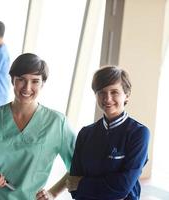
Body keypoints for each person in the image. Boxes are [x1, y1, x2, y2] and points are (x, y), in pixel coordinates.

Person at [0, 53, 76, 199]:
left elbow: (78, 166)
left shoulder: (57, 123)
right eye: (21, 80)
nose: (27, 87)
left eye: (35, 81)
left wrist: (53, 192)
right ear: (12, 80)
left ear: (43, 83)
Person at [36, 66, 150, 200]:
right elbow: (73, 188)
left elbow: (122, 188)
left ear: (126, 94)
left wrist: (81, 183)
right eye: (101, 92)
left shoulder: (138, 133)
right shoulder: (85, 133)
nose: (107, 98)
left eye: (114, 92)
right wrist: (101, 186)